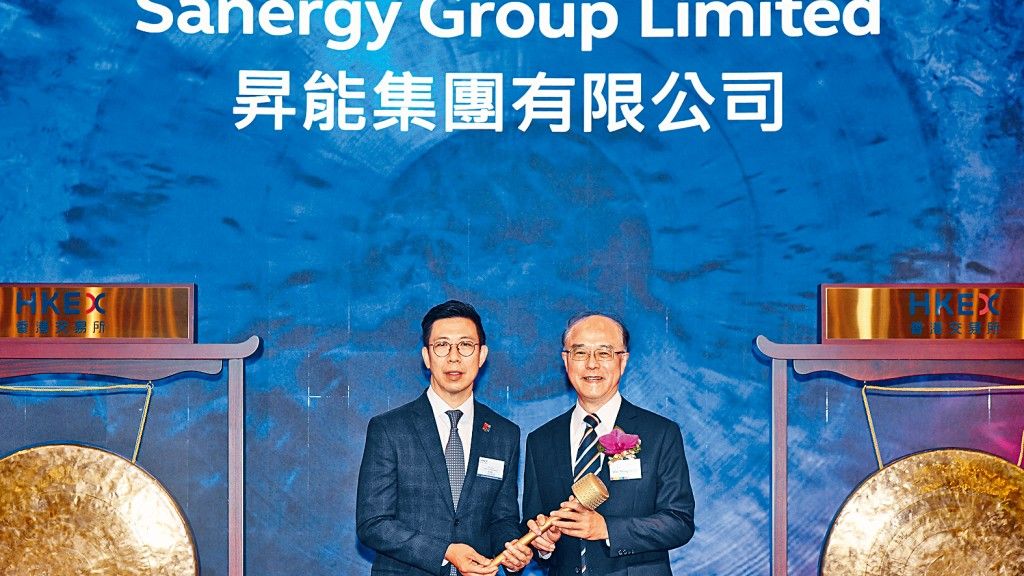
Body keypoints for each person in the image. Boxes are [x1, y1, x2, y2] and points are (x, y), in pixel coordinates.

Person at [357, 300, 533, 575]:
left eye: (465, 345)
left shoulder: (504, 433)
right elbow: (373, 523)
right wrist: (444, 552)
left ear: (482, 355)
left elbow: (503, 518)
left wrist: (511, 549)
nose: (454, 357)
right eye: (442, 345)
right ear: (427, 357)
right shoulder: (389, 429)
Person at [522, 312, 695, 575]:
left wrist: (607, 529)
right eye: (580, 353)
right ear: (566, 360)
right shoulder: (540, 440)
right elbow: (533, 522)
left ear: (623, 361)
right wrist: (543, 544)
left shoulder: (660, 433)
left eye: (604, 353)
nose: (592, 364)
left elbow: (679, 522)